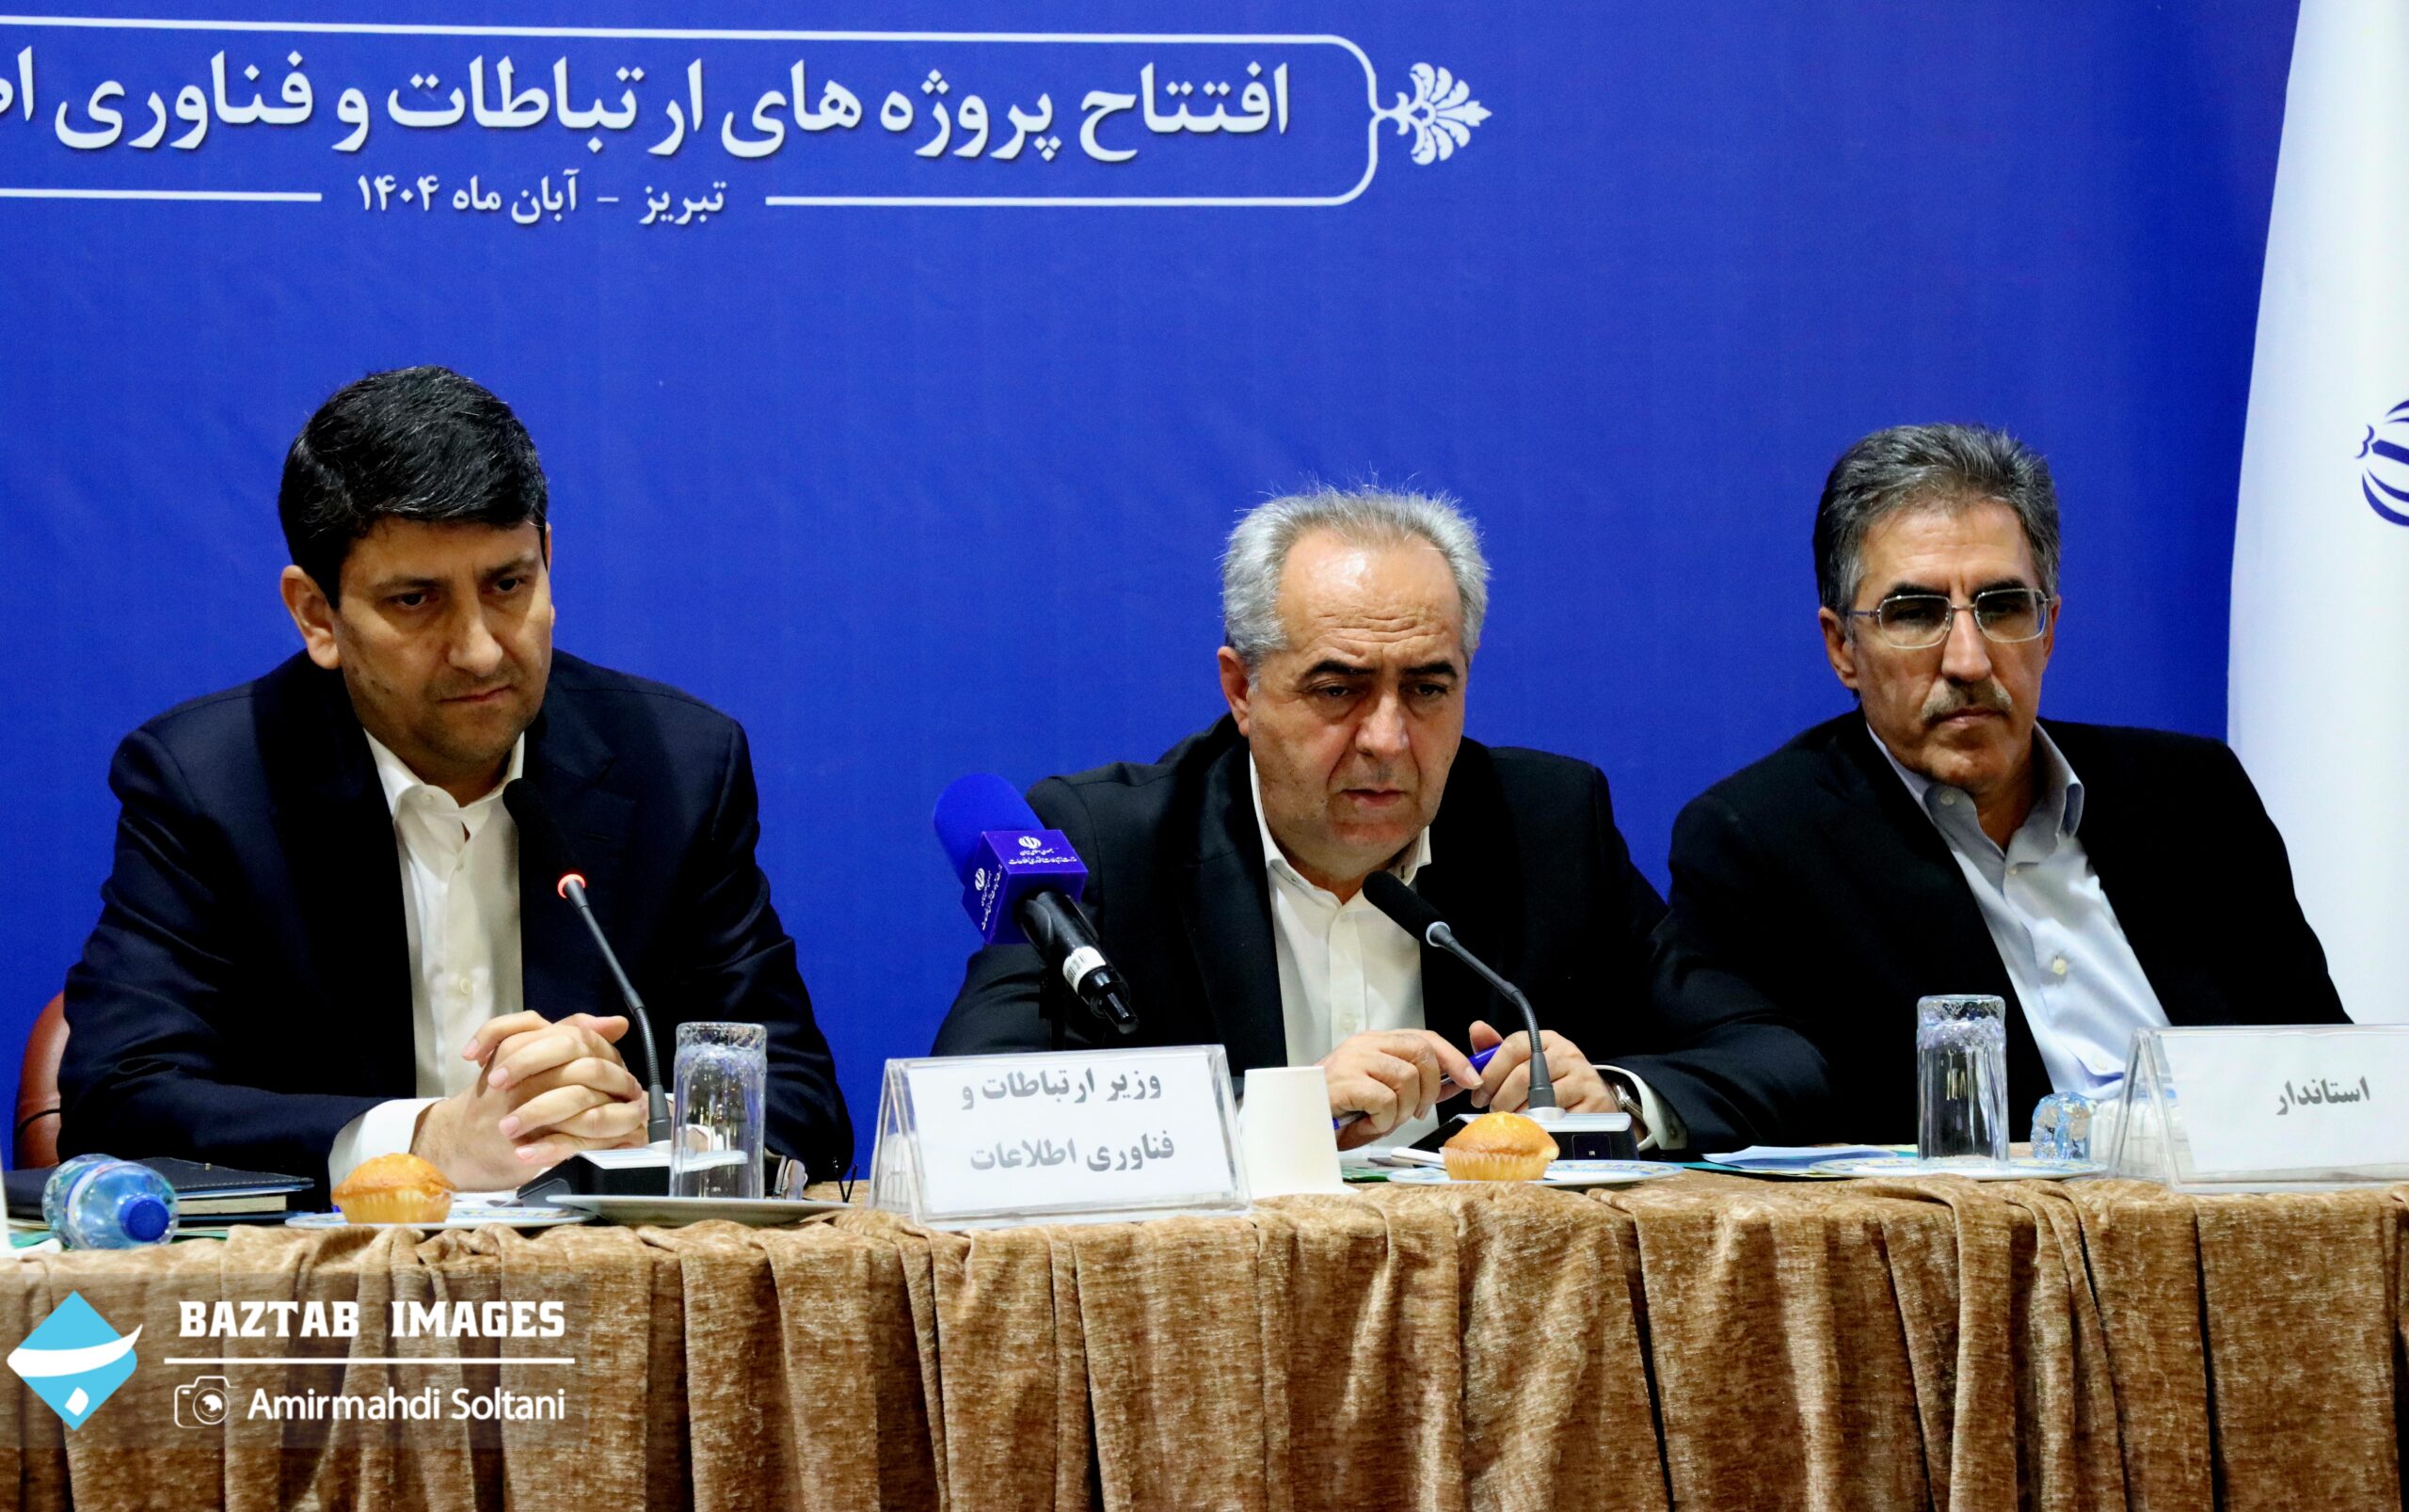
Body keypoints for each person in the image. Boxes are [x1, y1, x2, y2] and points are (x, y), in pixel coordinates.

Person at [58, 366, 850, 1191]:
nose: (478, 649)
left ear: (547, 561)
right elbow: (119, 1100)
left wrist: (646, 1125)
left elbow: (801, 1104)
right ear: (317, 615)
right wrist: (423, 1141)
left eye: (508, 584)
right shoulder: (209, 784)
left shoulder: (676, 765)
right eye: (415, 600)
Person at [934, 487, 1826, 1154]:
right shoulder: (1109, 841)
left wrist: (1615, 1100)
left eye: (1428, 688)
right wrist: (1280, 1108)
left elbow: (1778, 1057)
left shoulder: (1547, 825)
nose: (1388, 739)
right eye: (1339, 689)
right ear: (1242, 689)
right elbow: (971, 1110)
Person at [1667, 423, 2347, 1138]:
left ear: (2048, 629)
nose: (1968, 660)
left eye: (2002, 607)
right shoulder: (1762, 844)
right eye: (1915, 613)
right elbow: (1791, 1114)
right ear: (1844, 647)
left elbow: (2329, 1085)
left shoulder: (2193, 797)